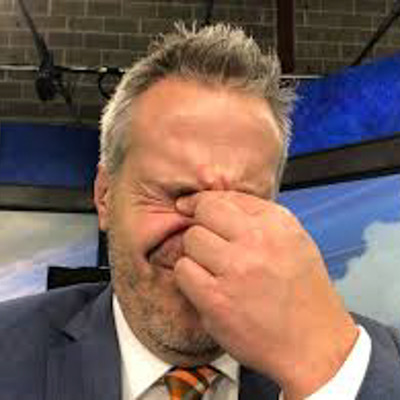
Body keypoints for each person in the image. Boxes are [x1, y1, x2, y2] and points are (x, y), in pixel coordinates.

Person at [1, 23, 400, 400]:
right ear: (105, 196)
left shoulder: (368, 363)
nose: (204, 237)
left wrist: (321, 369)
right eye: (179, 193)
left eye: (243, 200)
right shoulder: (9, 351)